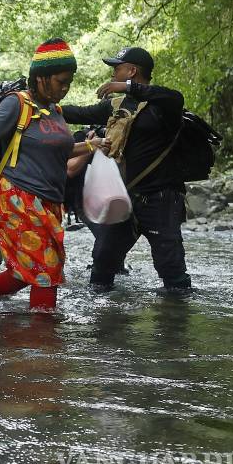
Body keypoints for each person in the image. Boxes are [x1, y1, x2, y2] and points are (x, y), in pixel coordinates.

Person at [0, 38, 103, 312]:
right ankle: (42, 333)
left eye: (69, 82)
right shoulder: (17, 103)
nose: (66, 88)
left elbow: (60, 151)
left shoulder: (56, 111)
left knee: (24, 270)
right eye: (61, 81)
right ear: (41, 78)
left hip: (49, 202)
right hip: (18, 198)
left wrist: (93, 145)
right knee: (45, 271)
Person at [60, 46, 191, 297]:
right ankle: (106, 317)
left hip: (161, 199)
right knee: (102, 263)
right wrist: (42, 104)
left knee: (171, 270)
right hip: (124, 198)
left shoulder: (164, 105)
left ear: (131, 71)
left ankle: (177, 318)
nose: (112, 73)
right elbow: (78, 113)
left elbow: (175, 97)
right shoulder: (116, 105)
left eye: (116, 68)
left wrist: (128, 87)